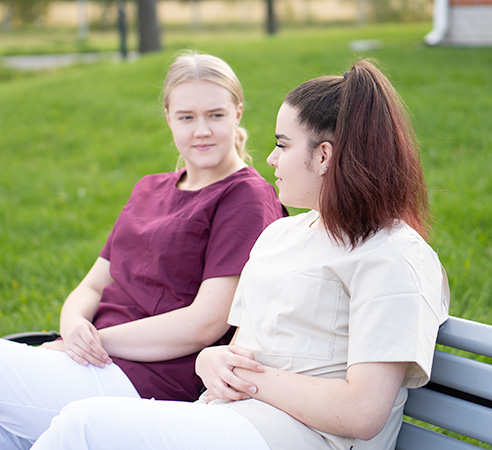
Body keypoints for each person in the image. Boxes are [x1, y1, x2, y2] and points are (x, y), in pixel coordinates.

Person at [31, 59, 450, 450]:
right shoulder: (281, 236)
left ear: (323, 156)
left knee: (84, 426)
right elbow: (237, 348)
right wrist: (211, 361)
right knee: (81, 424)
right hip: (233, 417)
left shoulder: (395, 257)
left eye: (283, 145)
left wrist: (244, 377)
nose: (270, 158)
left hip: (303, 437)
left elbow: (362, 412)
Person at [0, 51, 286, 450]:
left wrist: (95, 339)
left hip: (147, 381)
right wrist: (73, 326)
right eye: (186, 117)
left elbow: (205, 323)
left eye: (215, 115)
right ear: (168, 117)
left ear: (238, 112)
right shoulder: (149, 187)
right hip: (90, 360)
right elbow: (94, 284)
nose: (201, 130)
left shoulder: (246, 197)